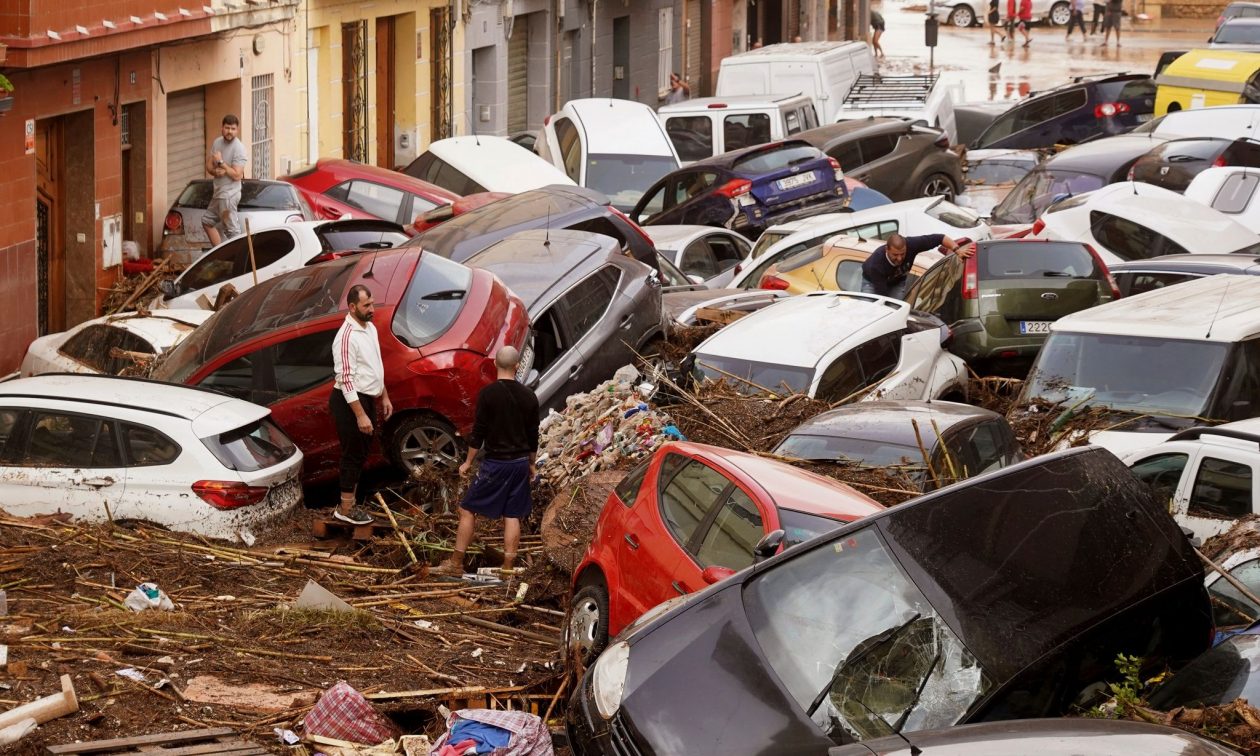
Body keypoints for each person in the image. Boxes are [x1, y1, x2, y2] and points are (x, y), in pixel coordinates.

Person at [432, 346, 540, 577]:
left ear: (495, 365)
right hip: (520, 463)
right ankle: (508, 568)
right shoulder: (529, 397)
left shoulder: (488, 395)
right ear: (517, 366)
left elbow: (478, 433)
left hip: (496, 464)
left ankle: (456, 562)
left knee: (467, 509)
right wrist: (531, 463)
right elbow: (533, 435)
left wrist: (468, 463)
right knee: (512, 515)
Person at [329, 284, 393, 526]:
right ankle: (345, 508)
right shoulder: (345, 337)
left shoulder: (370, 328)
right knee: (353, 454)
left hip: (367, 398)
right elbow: (346, 379)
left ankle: (351, 501)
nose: (372, 309)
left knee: (363, 451)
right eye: (367, 305)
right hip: (350, 402)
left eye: (372, 303)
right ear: (352, 306)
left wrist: (384, 395)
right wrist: (360, 415)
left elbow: (375, 365)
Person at [860, 233, 975, 300]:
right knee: (873, 311)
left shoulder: (913, 244)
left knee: (896, 310)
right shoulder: (876, 264)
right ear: (887, 249)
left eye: (903, 254)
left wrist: (957, 250)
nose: (899, 259)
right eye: (895, 255)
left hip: (897, 281)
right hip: (872, 282)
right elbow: (883, 298)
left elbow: (940, 238)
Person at [202, 114, 247, 247]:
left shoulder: (239, 148)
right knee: (207, 221)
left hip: (229, 195)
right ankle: (220, 254)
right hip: (218, 193)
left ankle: (240, 261)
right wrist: (215, 171)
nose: (229, 131)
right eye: (227, 128)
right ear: (222, 128)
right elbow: (209, 166)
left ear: (237, 130)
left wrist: (221, 163)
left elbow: (237, 175)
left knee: (233, 232)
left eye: (233, 129)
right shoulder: (217, 142)